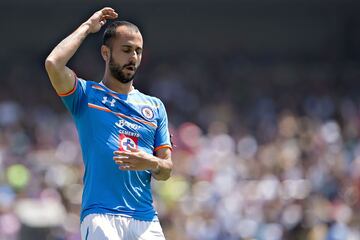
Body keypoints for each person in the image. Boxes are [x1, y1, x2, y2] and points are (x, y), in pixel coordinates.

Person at [44, 7, 173, 240]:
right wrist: (87, 27)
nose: (133, 57)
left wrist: (150, 162)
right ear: (106, 53)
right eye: (126, 50)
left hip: (145, 218)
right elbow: (54, 63)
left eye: (138, 51)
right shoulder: (86, 95)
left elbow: (166, 170)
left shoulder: (154, 107)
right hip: (101, 215)